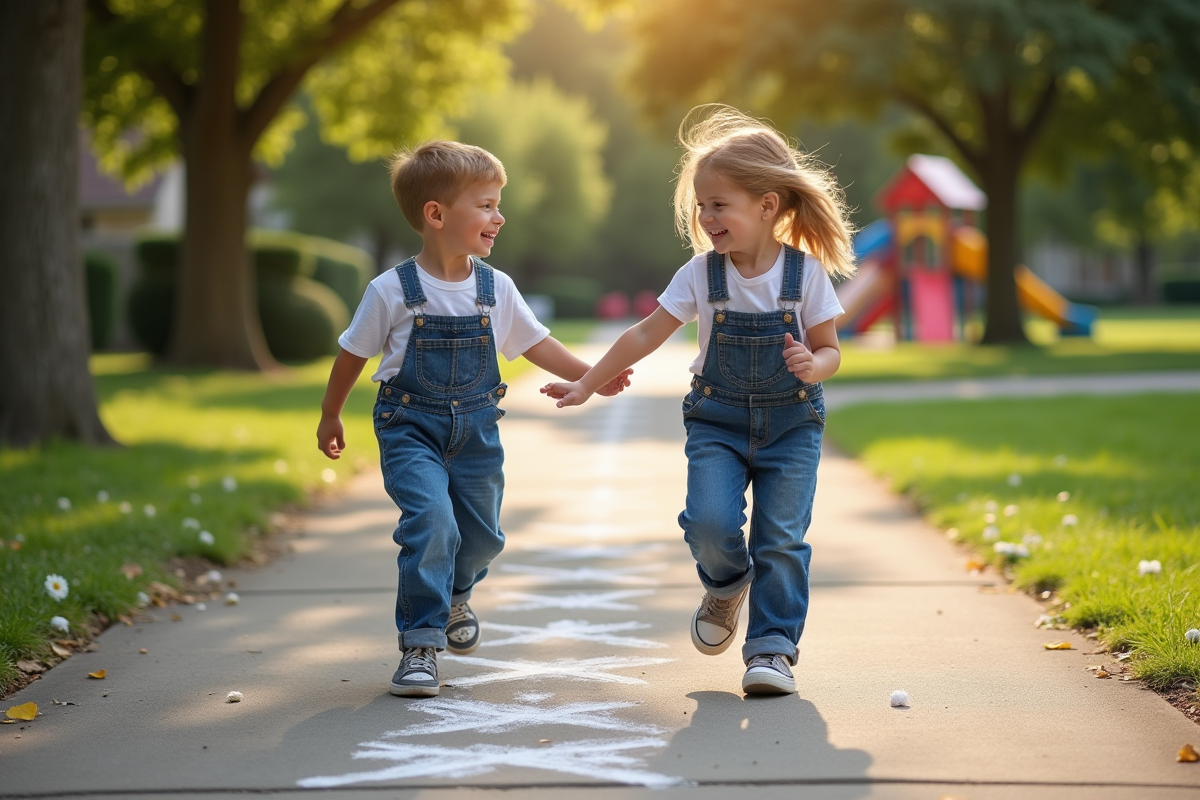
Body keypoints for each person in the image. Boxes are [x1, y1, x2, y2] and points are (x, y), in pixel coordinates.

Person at [541, 105, 855, 695]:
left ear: (767, 205)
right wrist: (587, 381)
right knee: (709, 524)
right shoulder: (700, 275)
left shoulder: (805, 276)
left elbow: (830, 350)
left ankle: (771, 651)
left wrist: (815, 366)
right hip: (718, 421)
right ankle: (726, 582)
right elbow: (644, 333)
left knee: (781, 537)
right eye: (702, 204)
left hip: (792, 426)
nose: (707, 217)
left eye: (720, 204)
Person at [317, 140, 631, 698]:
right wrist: (330, 415)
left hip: (477, 434)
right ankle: (420, 644)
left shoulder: (495, 288)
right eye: (485, 205)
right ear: (436, 215)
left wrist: (593, 374)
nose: (498, 216)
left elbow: (536, 343)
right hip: (409, 427)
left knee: (482, 538)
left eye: (497, 204)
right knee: (432, 525)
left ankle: (457, 592)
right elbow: (352, 355)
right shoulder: (391, 291)